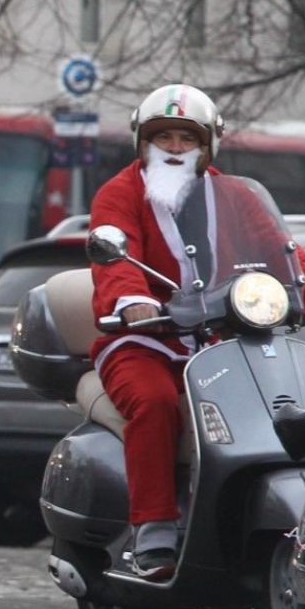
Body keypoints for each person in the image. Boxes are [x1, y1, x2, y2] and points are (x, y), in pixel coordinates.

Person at [88, 83, 246, 578]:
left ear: (207, 146)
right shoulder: (120, 192)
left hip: (218, 342)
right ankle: (153, 528)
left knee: (280, 402)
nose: (175, 148)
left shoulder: (234, 196)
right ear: (143, 142)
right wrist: (131, 299)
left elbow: (279, 252)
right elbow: (115, 259)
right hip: (141, 340)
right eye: (163, 137)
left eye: (186, 137)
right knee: (155, 402)